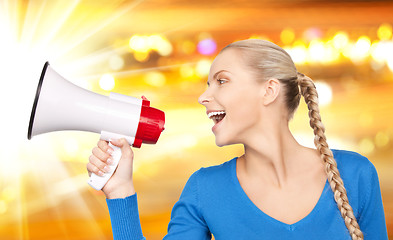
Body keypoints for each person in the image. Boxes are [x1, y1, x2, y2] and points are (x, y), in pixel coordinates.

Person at [86, 39, 388, 240]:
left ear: (268, 91)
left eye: (222, 81)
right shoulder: (204, 190)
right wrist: (120, 191)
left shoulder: (356, 175)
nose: (204, 97)